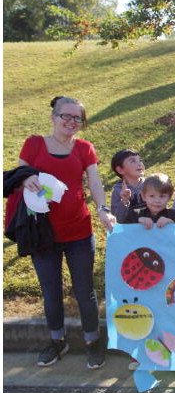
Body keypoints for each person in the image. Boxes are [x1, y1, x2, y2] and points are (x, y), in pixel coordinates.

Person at [18, 96, 116, 369]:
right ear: (53, 117)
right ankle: (57, 341)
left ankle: (92, 342)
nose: (72, 122)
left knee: (84, 292)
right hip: (43, 233)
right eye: (66, 116)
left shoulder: (84, 148)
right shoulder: (34, 143)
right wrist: (25, 177)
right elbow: (18, 174)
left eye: (77, 118)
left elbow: (95, 182)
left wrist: (103, 208)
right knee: (50, 291)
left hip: (79, 232)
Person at [110, 149, 146, 223]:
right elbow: (118, 219)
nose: (139, 164)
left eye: (140, 160)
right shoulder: (118, 191)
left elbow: (162, 209)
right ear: (120, 170)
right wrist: (124, 201)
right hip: (130, 232)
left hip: (152, 229)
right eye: (133, 161)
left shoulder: (150, 184)